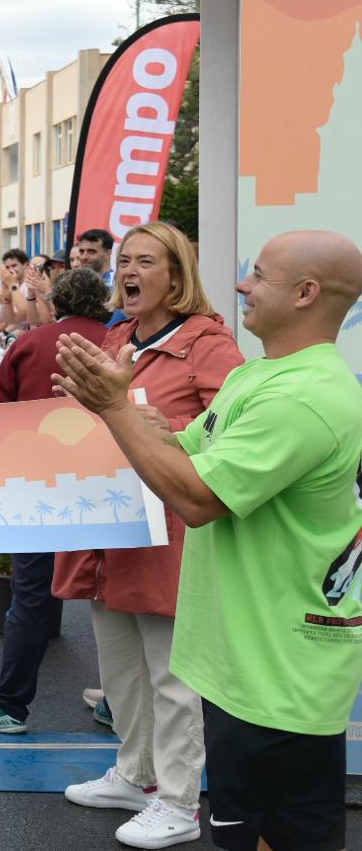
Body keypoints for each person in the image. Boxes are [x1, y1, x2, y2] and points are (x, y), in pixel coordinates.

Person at [52, 230, 362, 851]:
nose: (243, 284)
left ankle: (172, 798)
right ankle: (143, 777)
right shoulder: (265, 378)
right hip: (243, 667)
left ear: (305, 294)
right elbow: (185, 446)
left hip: (279, 680)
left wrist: (116, 412)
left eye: (260, 276)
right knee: (240, 830)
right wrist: (129, 412)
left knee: (280, 834)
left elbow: (196, 497)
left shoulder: (303, 396)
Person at [54, 222, 244, 849]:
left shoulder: (208, 345)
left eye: (144, 262)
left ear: (176, 275)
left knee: (171, 673)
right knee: (121, 668)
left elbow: (234, 432)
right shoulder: (116, 336)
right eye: (124, 262)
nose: (128, 272)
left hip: (167, 531)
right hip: (109, 529)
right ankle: (136, 775)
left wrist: (170, 426)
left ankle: (180, 801)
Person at [0, 268, 114, 738]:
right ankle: (119, 700)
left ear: (53, 302)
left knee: (30, 596)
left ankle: (10, 702)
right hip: (112, 480)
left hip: (42, 484)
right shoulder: (118, 340)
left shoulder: (32, 342)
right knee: (117, 598)